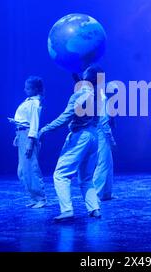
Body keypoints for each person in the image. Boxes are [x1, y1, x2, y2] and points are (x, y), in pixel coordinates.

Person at [40, 65, 103, 221]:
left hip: (80, 136)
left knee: (61, 175)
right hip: (94, 136)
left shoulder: (80, 95)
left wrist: (45, 129)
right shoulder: (98, 95)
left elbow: (65, 118)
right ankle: (94, 208)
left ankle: (67, 210)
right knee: (87, 178)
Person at [9, 76, 47, 209]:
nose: (25, 90)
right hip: (21, 134)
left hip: (28, 135)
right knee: (22, 171)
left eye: (28, 87)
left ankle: (40, 198)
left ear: (35, 89)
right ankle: (33, 197)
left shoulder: (35, 103)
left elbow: (34, 123)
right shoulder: (28, 101)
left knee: (31, 168)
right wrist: (17, 135)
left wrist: (30, 141)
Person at [93, 82, 118, 201]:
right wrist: (111, 139)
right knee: (102, 163)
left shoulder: (105, 99)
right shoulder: (102, 99)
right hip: (101, 134)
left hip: (103, 134)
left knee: (108, 163)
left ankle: (107, 193)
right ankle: (97, 194)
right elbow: (104, 123)